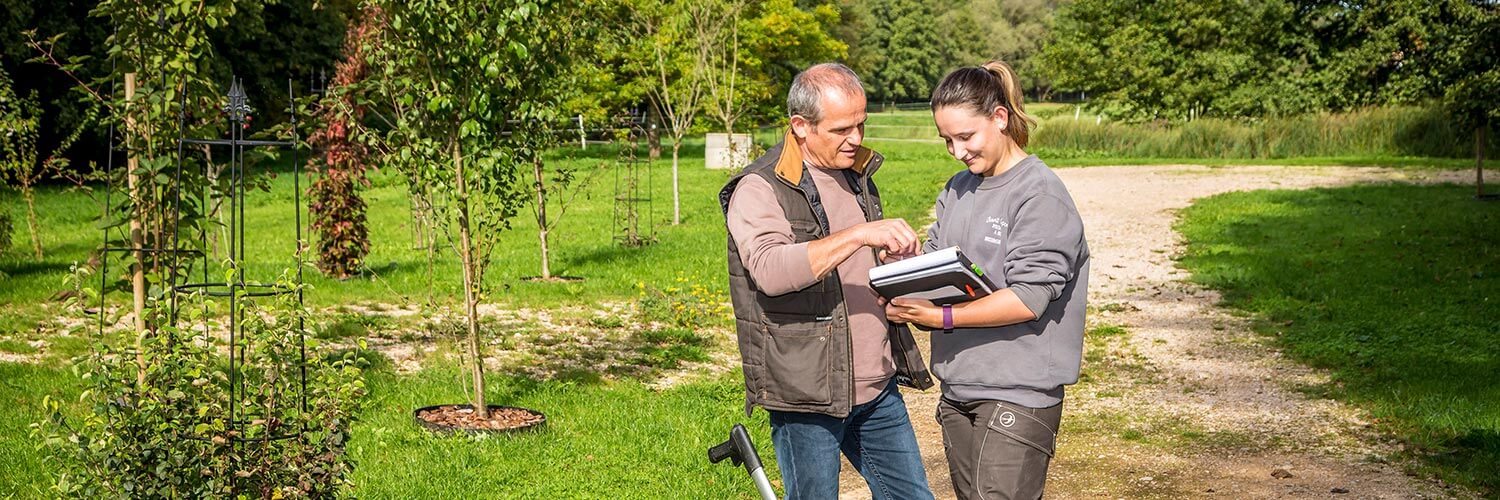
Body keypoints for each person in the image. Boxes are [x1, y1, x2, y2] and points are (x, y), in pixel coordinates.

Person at [719, 62, 935, 500]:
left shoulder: (856, 174)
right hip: (808, 397)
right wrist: (857, 236)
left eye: (861, 124)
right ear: (800, 126)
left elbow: (855, 269)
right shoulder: (760, 188)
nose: (856, 138)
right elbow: (771, 271)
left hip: (877, 387)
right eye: (841, 129)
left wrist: (894, 263)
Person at [884, 61, 1090, 500]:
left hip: (1018, 392)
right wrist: (905, 267)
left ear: (999, 118)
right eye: (947, 140)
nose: (957, 151)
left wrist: (941, 318)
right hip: (958, 386)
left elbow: (1028, 298)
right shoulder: (957, 188)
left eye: (966, 137)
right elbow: (938, 264)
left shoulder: (1039, 194)